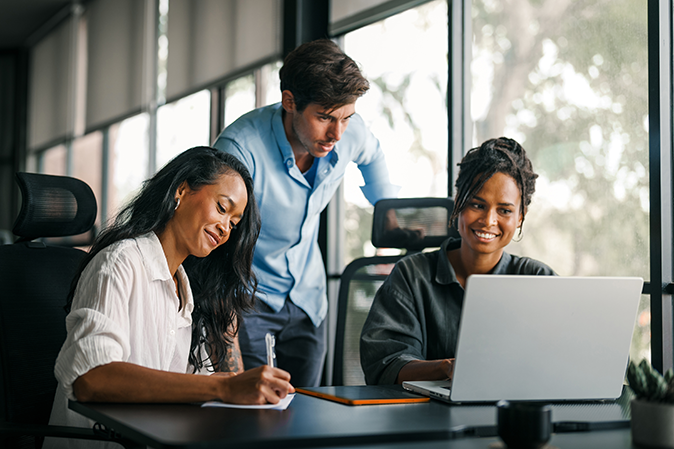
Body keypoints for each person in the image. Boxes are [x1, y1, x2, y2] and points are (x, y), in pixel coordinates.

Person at [44, 147, 294, 449]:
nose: (226, 228)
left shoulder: (186, 292)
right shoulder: (120, 263)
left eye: (234, 222)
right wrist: (225, 386)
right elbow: (91, 378)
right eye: (222, 208)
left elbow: (193, 391)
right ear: (182, 190)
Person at [212, 39, 399, 387]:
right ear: (289, 102)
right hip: (248, 300)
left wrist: (385, 214)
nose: (336, 134)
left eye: (346, 118)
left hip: (309, 300)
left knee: (306, 413)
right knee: (254, 420)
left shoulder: (346, 132)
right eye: (324, 117)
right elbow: (216, 244)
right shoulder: (239, 149)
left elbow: (372, 156)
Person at [359, 137, 556, 385]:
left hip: (513, 415)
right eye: (477, 204)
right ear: (458, 204)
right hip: (426, 418)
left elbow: (561, 358)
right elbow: (384, 365)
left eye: (504, 210)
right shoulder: (411, 276)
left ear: (520, 217)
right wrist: (449, 368)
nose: (488, 221)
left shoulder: (538, 280)